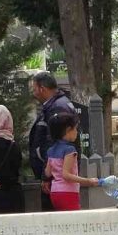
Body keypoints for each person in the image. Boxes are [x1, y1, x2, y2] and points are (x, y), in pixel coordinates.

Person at [27, 71, 77, 211]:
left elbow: (53, 144)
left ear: (42, 88)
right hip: (56, 178)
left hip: (57, 180)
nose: (34, 92)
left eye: (35, 88)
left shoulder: (57, 107)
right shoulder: (54, 105)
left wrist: (47, 177)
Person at [45, 113, 100, 211]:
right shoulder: (70, 150)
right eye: (75, 129)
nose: (76, 132)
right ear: (68, 130)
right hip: (68, 192)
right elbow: (66, 175)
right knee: (74, 221)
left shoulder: (51, 150)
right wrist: (88, 181)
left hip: (54, 192)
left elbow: (48, 173)